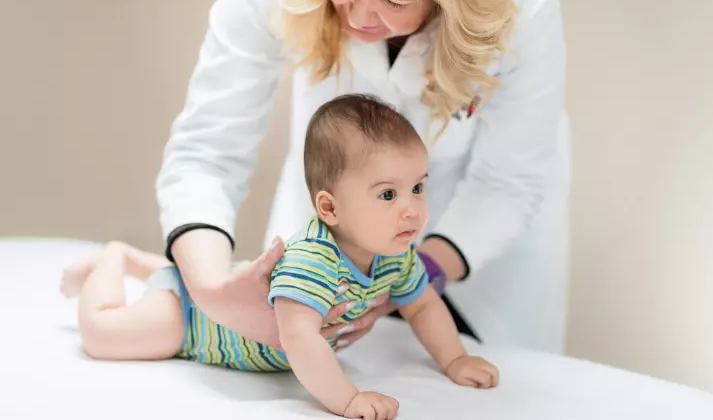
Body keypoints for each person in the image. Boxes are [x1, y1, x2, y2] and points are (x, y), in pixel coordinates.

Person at [156, 0, 570, 354]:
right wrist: (211, 290)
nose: (358, 15)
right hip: (334, 236)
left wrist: (402, 281)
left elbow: (505, 184)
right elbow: (208, 147)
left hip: (480, 237)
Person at [62, 95, 499, 420]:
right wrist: (346, 398)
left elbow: (422, 304)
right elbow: (300, 338)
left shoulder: (395, 253)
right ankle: (112, 261)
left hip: (221, 295)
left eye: (418, 187)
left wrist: (454, 358)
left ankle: (146, 264)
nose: (412, 208)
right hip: (195, 321)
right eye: (388, 194)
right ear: (329, 208)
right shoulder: (314, 261)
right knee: (103, 335)